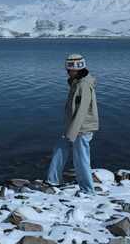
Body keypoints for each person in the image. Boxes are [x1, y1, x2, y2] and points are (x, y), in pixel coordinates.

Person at [47, 53, 99, 194]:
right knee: (59, 149)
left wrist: (71, 133)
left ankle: (87, 190)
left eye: (69, 70)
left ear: (77, 69)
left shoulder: (83, 85)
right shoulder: (76, 83)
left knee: (81, 159)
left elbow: (81, 111)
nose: (67, 72)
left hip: (82, 128)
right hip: (74, 127)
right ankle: (53, 181)